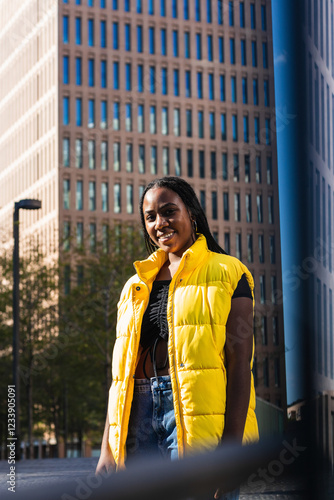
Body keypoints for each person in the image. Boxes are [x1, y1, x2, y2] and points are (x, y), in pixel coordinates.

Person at [96, 177, 259, 499]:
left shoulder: (229, 271)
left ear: (192, 215)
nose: (160, 223)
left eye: (169, 211)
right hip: (137, 413)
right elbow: (120, 378)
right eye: (151, 216)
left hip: (195, 411)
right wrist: (106, 448)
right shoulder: (133, 286)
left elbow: (240, 364)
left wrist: (231, 450)